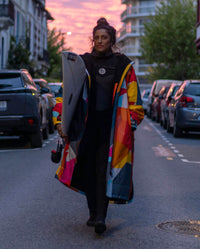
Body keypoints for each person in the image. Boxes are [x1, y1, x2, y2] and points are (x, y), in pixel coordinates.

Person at [55, 17, 144, 234]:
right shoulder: (83, 63)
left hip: (112, 129)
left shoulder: (123, 65)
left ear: (112, 40)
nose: (100, 41)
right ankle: (93, 212)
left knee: (103, 170)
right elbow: (65, 94)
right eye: (96, 38)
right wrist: (59, 121)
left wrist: (132, 122)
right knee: (87, 169)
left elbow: (135, 99)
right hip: (85, 128)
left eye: (104, 38)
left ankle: (101, 217)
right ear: (92, 40)